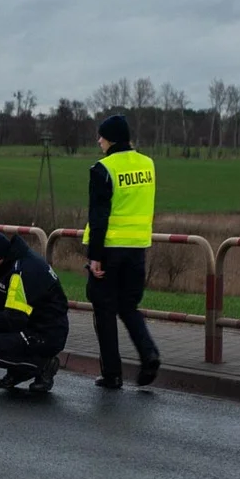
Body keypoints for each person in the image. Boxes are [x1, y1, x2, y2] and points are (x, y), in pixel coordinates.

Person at [82, 114, 161, 389]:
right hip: (138, 249)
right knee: (128, 306)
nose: (98, 140)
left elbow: (99, 216)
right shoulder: (147, 164)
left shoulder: (102, 169)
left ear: (111, 138)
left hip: (109, 250)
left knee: (103, 310)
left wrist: (95, 256)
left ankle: (112, 373)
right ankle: (149, 352)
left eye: (101, 136)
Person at [0, 230, 70, 393]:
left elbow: (15, 318)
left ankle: (42, 366)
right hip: (31, 323)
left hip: (45, 332)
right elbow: (11, 301)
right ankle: (19, 368)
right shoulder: (12, 263)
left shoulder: (20, 272)